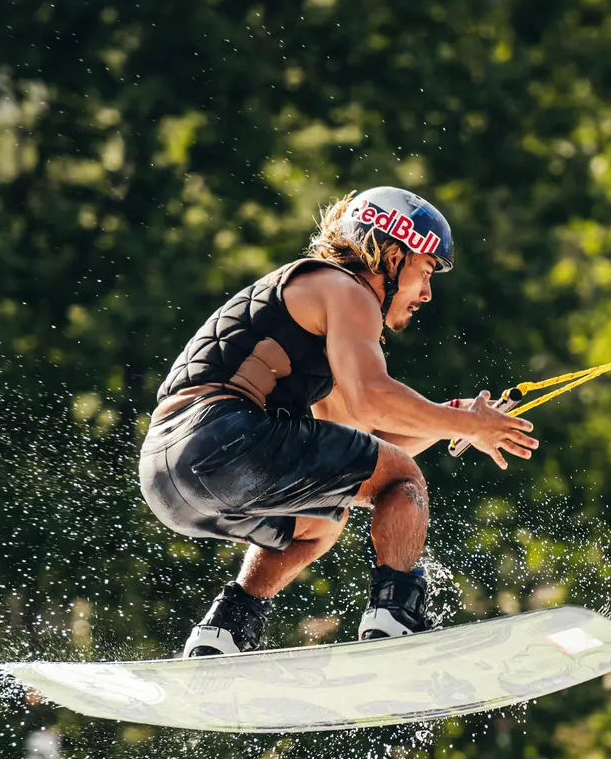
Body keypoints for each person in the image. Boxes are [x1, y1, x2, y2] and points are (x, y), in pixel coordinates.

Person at [139, 187, 539, 656]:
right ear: (391, 255)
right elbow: (373, 400)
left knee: (319, 520)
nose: (427, 293)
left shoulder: (312, 306)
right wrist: (470, 426)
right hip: (226, 436)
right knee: (407, 481)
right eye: (426, 271)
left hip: (166, 474)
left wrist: (454, 420)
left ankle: (224, 630)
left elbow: (363, 444)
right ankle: (396, 618)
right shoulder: (345, 289)